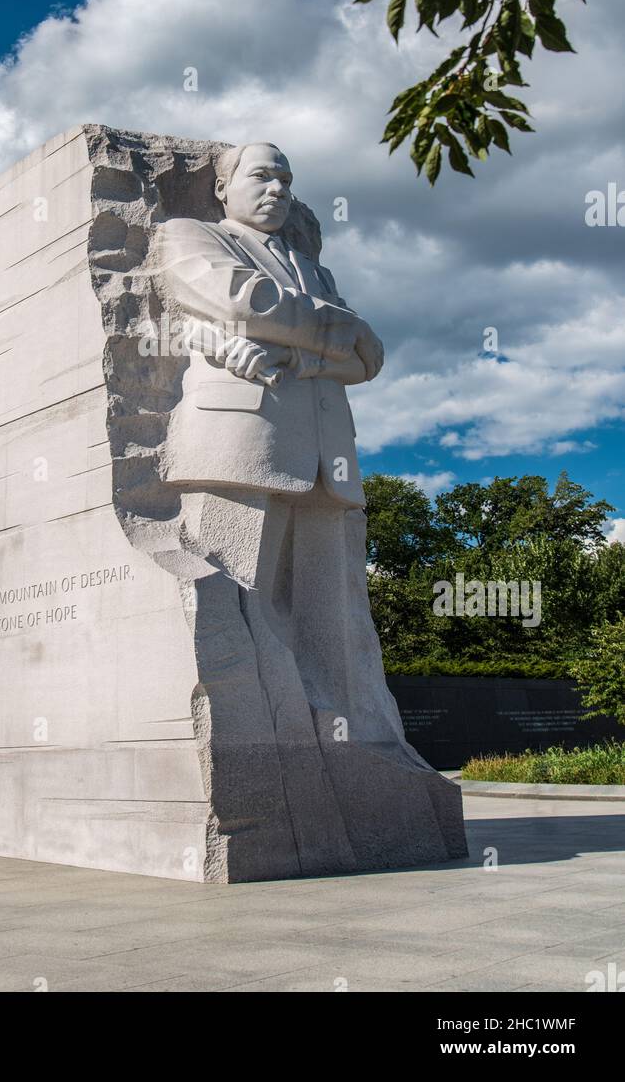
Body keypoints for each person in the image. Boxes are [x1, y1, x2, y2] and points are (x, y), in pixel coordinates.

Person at [154, 141, 455, 876]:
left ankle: (354, 762)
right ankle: (258, 774)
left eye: (286, 177)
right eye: (261, 174)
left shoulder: (312, 267)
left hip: (327, 457)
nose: (277, 188)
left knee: (336, 621)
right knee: (235, 609)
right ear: (222, 188)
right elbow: (239, 299)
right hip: (239, 445)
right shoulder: (188, 236)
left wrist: (305, 343)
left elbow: (370, 355)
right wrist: (325, 331)